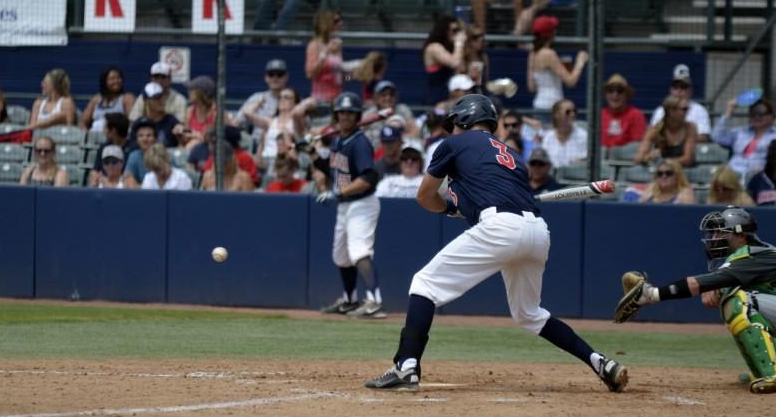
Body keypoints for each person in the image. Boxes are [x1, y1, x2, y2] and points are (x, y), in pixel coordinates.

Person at [364, 94, 627, 392]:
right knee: (529, 314)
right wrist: (467, 208)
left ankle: (406, 366)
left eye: (455, 124)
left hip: (501, 226)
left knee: (424, 285)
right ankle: (600, 362)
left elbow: (424, 196)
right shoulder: (513, 155)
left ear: (465, 119)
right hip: (537, 231)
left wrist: (451, 209)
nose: (452, 131)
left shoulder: (452, 144)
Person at [615, 207, 776, 393]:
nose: (715, 237)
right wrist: (718, 288)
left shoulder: (754, 255)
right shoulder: (750, 255)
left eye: (721, 231)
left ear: (740, 235)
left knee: (740, 301)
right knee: (734, 299)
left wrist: (651, 295)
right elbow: (710, 291)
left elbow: (697, 285)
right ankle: (762, 369)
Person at [317, 91, 385, 318]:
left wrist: (338, 192)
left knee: (359, 251)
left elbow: (368, 179)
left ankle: (374, 302)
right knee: (341, 256)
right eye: (342, 112)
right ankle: (349, 301)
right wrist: (310, 153)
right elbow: (336, 171)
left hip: (362, 203)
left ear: (357, 116)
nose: (345, 116)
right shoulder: (338, 141)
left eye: (350, 113)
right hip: (345, 204)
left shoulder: (360, 143)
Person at [526, 16, 587, 116]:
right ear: (551, 34)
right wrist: (580, 61)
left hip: (538, 104)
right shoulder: (549, 54)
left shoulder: (532, 53)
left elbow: (531, 87)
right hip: (553, 106)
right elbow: (570, 81)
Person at [712, 96, 776, 182]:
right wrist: (729, 112)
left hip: (758, 178)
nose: (757, 117)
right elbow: (716, 137)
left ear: (771, 116)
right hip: (733, 174)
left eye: (761, 114)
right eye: (753, 114)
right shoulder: (740, 132)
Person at [244, 87, 303, 177]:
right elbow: (247, 113)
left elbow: (298, 113)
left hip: (288, 164)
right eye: (280, 97)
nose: (282, 100)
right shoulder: (270, 122)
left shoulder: (296, 123)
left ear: (295, 102)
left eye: (287, 97)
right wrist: (259, 103)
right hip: (267, 164)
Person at [649, 64, 711, 140]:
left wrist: (675, 141)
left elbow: (703, 137)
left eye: (683, 87)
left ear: (690, 90)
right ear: (670, 90)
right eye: (675, 87)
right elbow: (651, 136)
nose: (679, 91)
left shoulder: (700, 110)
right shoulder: (660, 111)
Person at [237, 59, 290, 142]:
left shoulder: (292, 97)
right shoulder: (257, 97)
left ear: (286, 77)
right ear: (266, 77)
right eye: (271, 74)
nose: (275, 78)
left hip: (285, 144)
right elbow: (238, 122)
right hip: (257, 144)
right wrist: (256, 105)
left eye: (280, 74)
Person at [635, 95, 696, 167]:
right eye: (684, 109)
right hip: (663, 172)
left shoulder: (690, 128)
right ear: (671, 111)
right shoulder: (655, 130)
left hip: (683, 171)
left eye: (688, 108)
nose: (687, 112)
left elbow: (688, 159)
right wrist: (648, 158)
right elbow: (638, 158)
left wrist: (662, 161)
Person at [422, 15, 466, 106]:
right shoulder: (434, 47)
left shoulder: (451, 49)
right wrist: (459, 43)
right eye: (454, 31)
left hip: (451, 99)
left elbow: (461, 68)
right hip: (437, 99)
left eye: (457, 31)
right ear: (444, 31)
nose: (456, 34)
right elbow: (455, 63)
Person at [306, 10, 346, 103]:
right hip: (320, 99)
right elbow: (310, 74)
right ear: (326, 24)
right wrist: (326, 52)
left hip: (337, 99)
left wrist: (351, 76)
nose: (341, 23)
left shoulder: (337, 46)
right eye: (336, 21)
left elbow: (341, 78)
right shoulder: (314, 45)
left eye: (341, 20)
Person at [80, 67, 135, 133]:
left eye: (119, 78)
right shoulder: (96, 99)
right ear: (104, 81)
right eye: (112, 78)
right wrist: (86, 133)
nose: (116, 81)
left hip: (117, 139)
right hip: (95, 138)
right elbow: (83, 121)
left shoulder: (127, 98)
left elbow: (132, 121)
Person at [600, 73, 646, 148]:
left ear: (626, 95)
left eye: (620, 91)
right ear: (606, 95)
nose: (615, 94)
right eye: (610, 90)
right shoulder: (599, 115)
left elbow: (637, 145)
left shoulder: (636, 115)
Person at [541, 99, 587, 168]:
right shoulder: (548, 137)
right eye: (568, 112)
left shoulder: (583, 135)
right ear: (557, 115)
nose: (573, 114)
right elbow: (544, 161)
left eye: (574, 111)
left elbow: (585, 161)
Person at [89, 113, 132, 187]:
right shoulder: (103, 147)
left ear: (113, 131)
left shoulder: (133, 149)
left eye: (105, 128)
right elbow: (95, 170)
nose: (103, 131)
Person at [135, 83, 182, 147]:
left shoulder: (172, 121)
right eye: (156, 98)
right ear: (147, 102)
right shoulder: (140, 123)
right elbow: (133, 146)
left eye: (161, 97)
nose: (160, 100)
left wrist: (180, 134)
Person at [123, 118, 159, 187]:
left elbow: (166, 185)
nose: (144, 139)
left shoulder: (164, 155)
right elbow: (127, 182)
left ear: (155, 138)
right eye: (141, 136)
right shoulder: (134, 156)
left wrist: (138, 186)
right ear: (136, 139)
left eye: (149, 135)